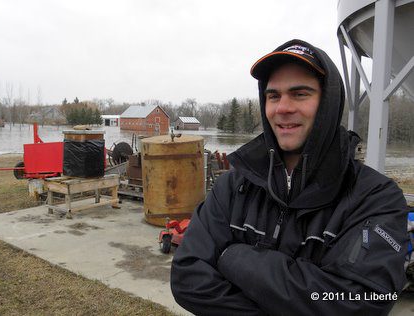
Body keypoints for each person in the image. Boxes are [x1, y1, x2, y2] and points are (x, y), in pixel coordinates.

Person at [170, 39, 409, 315]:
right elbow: (188, 278)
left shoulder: (375, 197)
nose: (282, 108)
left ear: (328, 104)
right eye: (273, 96)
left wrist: (235, 258)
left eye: (300, 94)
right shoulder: (234, 186)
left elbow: (361, 301)